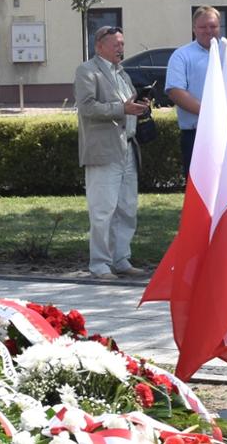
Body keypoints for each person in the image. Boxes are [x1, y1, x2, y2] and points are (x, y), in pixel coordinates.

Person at [74, 25, 147, 279]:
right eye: (115, 44)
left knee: (127, 207)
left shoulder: (122, 73)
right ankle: (100, 264)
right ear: (99, 46)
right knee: (103, 209)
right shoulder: (87, 71)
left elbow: (126, 105)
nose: (120, 48)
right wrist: (122, 109)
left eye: (122, 43)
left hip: (127, 147)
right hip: (103, 150)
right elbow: (87, 108)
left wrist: (140, 105)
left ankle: (121, 258)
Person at [165, 6, 227, 171]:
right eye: (203, 27)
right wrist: (211, 114)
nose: (208, 31)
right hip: (197, 135)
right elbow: (175, 91)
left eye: (213, 26)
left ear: (219, 26)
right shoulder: (182, 56)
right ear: (194, 29)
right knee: (200, 194)